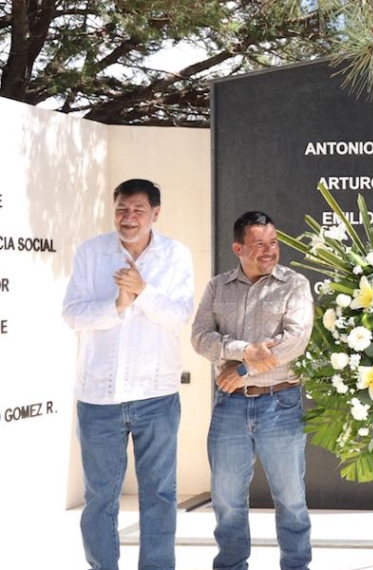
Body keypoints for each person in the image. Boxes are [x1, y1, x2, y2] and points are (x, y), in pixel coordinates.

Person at [62, 178, 195, 570]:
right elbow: (72, 312)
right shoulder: (91, 253)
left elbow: (180, 316)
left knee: (159, 494)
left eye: (138, 210)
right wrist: (117, 304)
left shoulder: (176, 255)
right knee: (100, 497)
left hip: (156, 395)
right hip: (98, 398)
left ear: (156, 213)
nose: (129, 217)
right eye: (122, 208)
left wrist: (144, 291)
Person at [191, 211, 314, 570]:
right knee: (227, 499)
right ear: (238, 248)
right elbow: (200, 337)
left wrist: (242, 370)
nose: (269, 250)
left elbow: (294, 342)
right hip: (229, 406)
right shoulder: (217, 287)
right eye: (259, 244)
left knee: (291, 498)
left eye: (273, 242)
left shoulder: (294, 284)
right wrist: (243, 350)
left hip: (281, 401)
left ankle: (296, 566)